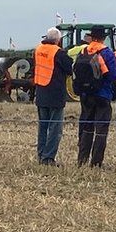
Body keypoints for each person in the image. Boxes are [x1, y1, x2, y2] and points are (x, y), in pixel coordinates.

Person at [74, 27, 116, 167]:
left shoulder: (83, 51)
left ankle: (81, 160)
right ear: (103, 38)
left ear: (91, 37)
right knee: (101, 129)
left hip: (86, 95)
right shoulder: (106, 52)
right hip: (102, 94)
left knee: (87, 127)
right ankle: (96, 162)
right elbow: (114, 75)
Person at [33, 27, 73, 166]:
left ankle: (41, 155)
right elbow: (69, 69)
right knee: (55, 128)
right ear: (58, 40)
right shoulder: (59, 53)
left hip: (41, 93)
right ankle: (48, 158)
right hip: (55, 94)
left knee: (42, 127)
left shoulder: (38, 50)